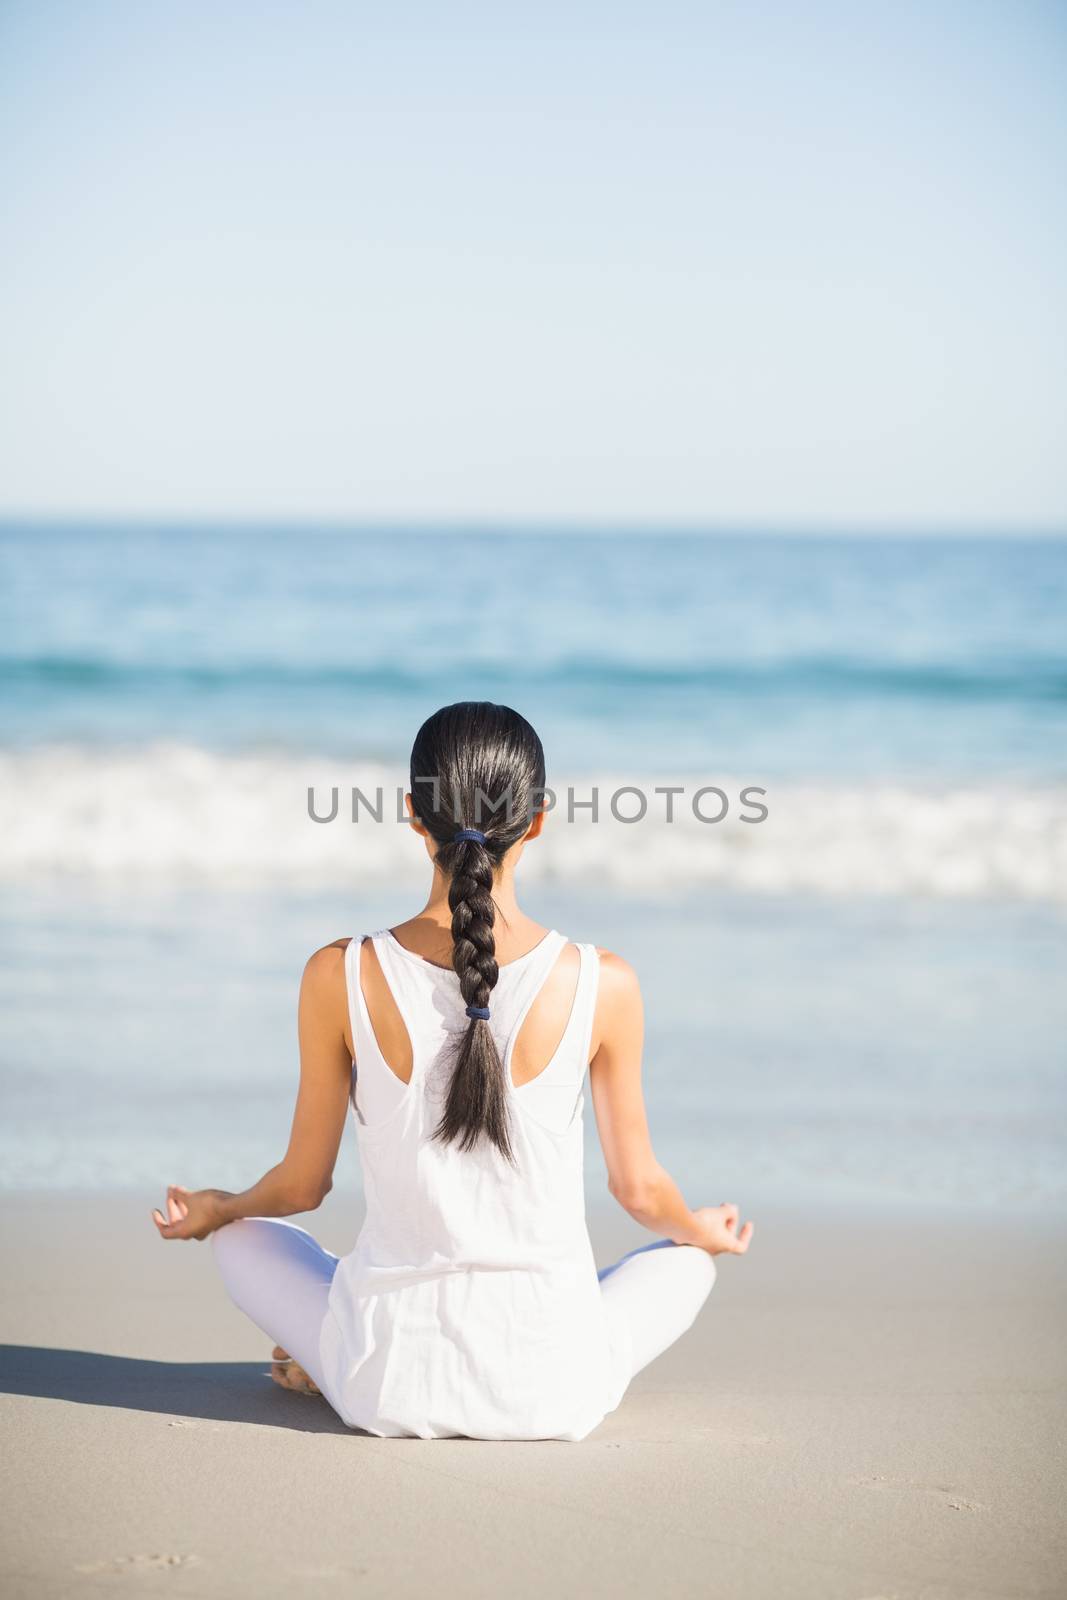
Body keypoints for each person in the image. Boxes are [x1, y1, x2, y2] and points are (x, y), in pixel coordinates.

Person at [152, 701, 753, 1440]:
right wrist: (700, 1230)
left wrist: (220, 1207)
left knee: (245, 1237)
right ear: (536, 821)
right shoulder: (604, 983)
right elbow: (638, 1190)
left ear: (412, 814)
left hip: (383, 1381)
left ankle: (323, 1351)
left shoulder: (338, 973)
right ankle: (580, 1316)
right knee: (687, 1262)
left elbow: (302, 1187)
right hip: (554, 1387)